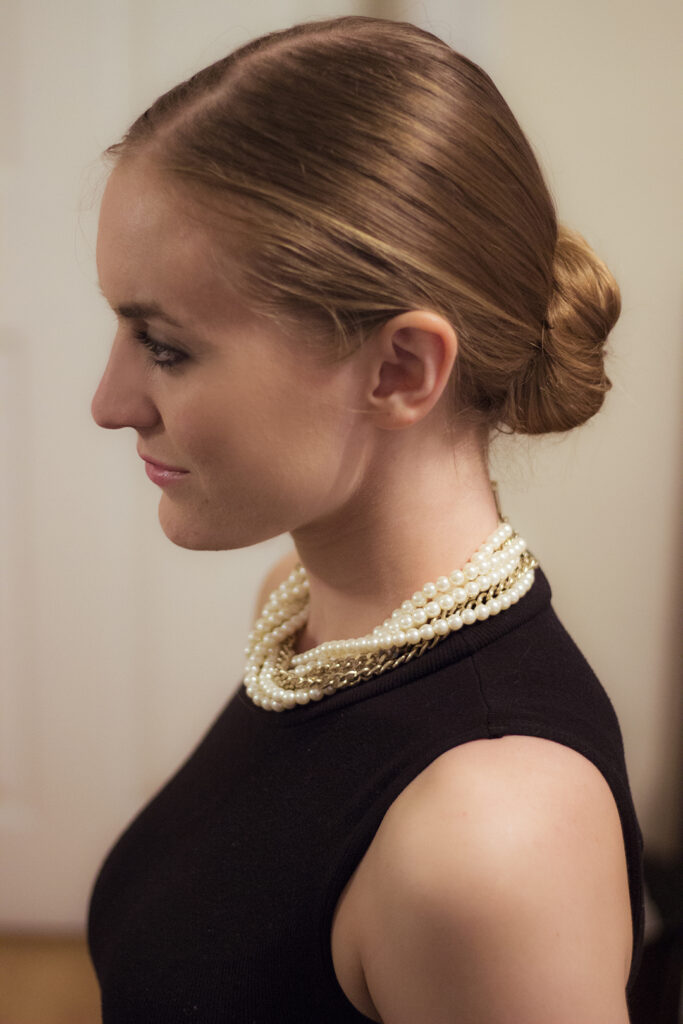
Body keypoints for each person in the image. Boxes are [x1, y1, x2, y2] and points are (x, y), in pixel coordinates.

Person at [87, 15, 644, 1023]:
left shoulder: (488, 840)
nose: (110, 400)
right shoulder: (304, 611)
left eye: (164, 346)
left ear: (399, 369)